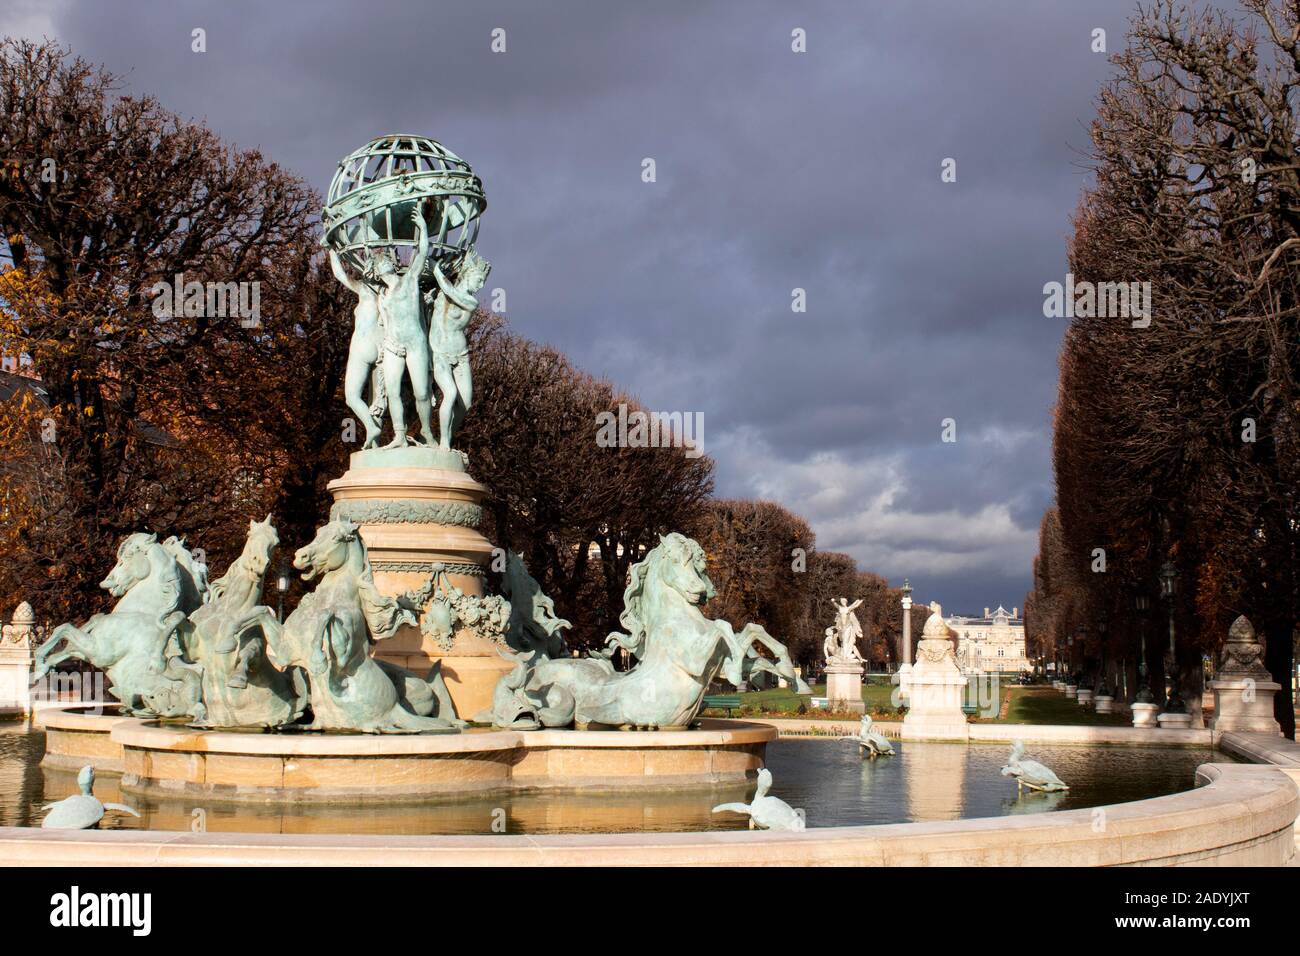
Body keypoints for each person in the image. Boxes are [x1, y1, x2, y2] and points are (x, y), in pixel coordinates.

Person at [426, 247, 491, 450]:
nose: (480, 285)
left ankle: (447, 436)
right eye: (479, 280)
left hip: (460, 355)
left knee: (466, 404)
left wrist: (436, 270)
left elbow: (450, 292)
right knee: (451, 393)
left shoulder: (470, 301)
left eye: (483, 282)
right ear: (468, 275)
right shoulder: (440, 293)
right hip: (439, 353)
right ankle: (444, 443)